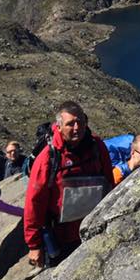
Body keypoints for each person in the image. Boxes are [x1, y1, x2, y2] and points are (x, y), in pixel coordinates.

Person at [24, 101, 114, 268]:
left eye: (80, 122)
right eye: (70, 124)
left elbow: (109, 181)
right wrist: (34, 245)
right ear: (58, 127)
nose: (77, 128)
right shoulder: (48, 158)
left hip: (95, 227)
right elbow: (34, 203)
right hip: (61, 237)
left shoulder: (96, 146)